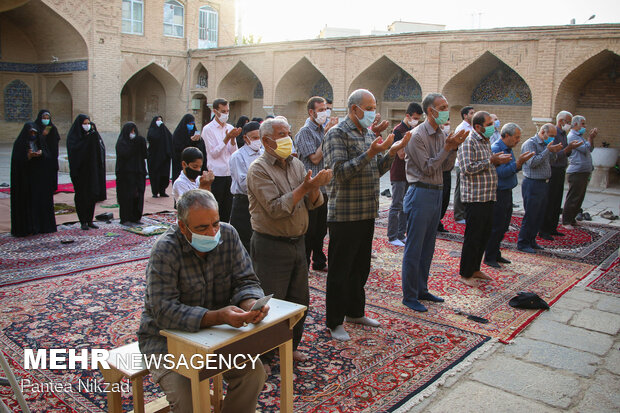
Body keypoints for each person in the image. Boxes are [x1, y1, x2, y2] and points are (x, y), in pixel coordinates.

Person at [137, 189, 268, 413]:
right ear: (182, 226)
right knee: (190, 404)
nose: (212, 232)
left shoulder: (228, 235)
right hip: (165, 344)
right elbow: (163, 310)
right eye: (202, 228)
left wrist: (249, 303)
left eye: (215, 223)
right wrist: (217, 316)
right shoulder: (165, 249)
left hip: (214, 337)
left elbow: (246, 279)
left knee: (253, 374)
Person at [322, 89, 410, 340]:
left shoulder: (368, 134)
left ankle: (355, 311)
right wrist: (370, 152)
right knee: (341, 270)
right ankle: (334, 321)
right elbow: (339, 173)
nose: (372, 112)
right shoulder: (336, 134)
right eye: (369, 107)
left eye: (374, 106)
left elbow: (375, 170)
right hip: (345, 214)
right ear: (354, 109)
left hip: (366, 211)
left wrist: (391, 152)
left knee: (360, 268)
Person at [247, 118, 330, 364]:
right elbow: (275, 208)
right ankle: (264, 353)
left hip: (298, 243)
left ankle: (289, 347)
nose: (287, 138)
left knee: (298, 300)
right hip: (271, 244)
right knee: (271, 302)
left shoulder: (295, 164)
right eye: (281, 134)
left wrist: (314, 187)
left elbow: (315, 203)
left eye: (288, 133)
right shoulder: (259, 169)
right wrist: (305, 188)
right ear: (266, 141)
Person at [401, 94, 467, 311]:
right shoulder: (416, 135)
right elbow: (428, 168)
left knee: (428, 246)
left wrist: (454, 147)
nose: (447, 111)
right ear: (431, 111)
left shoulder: (440, 134)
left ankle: (422, 289)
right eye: (443, 107)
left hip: (435, 193)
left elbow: (445, 167)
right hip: (420, 193)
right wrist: (447, 148)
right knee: (414, 247)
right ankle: (409, 295)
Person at [458, 111, 512, 286]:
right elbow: (466, 168)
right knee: (473, 236)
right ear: (477, 126)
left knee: (483, 235)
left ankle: (475, 268)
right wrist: (491, 161)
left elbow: (487, 163)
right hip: (475, 197)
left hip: (488, 195)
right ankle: (466, 273)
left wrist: (495, 161)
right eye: (488, 124)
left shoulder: (486, 141)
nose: (492, 127)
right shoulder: (468, 141)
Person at [483, 123, 534, 268]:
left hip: (507, 192)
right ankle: (490, 256)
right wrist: (519, 163)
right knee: (496, 225)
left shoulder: (508, 149)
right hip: (498, 193)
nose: (518, 140)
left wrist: (517, 164)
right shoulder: (496, 149)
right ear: (506, 136)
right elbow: (500, 173)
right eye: (516, 137)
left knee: (504, 225)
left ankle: (496, 253)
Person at [295, 96, 330, 270]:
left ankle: (319, 260)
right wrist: (328, 136)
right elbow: (315, 158)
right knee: (309, 229)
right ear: (311, 112)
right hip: (310, 188)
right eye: (321, 110)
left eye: (326, 109)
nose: (325, 113)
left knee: (321, 229)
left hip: (324, 187)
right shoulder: (304, 132)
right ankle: (303, 265)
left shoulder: (322, 130)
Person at [517, 124, 563, 253]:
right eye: (551, 135)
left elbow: (550, 161)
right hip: (532, 183)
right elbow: (532, 163)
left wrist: (553, 152)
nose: (553, 138)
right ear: (543, 132)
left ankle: (532, 240)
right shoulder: (530, 144)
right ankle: (523, 242)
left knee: (539, 215)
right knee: (531, 214)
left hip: (544, 183)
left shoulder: (545, 146)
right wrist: (548, 150)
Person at [539, 111, 582, 239]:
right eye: (568, 122)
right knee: (549, 201)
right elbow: (552, 155)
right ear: (561, 121)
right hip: (552, 170)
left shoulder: (564, 134)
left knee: (557, 200)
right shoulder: (554, 134)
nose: (569, 125)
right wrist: (567, 150)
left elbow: (563, 153)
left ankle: (552, 227)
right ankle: (544, 230)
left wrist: (569, 150)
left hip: (561, 169)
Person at [10, 122, 57, 236]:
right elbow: (17, 163)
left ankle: (41, 226)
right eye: (30, 132)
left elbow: (48, 158)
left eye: (34, 133)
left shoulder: (41, 142)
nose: (32, 135)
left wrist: (42, 154)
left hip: (38, 181)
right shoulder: (20, 144)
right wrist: (28, 157)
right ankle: (27, 228)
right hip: (25, 182)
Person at [387, 102, 423, 247]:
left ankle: (401, 234)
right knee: (396, 205)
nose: (416, 121)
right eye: (414, 118)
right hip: (398, 173)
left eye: (418, 119)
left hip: (409, 173)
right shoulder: (398, 130)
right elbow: (400, 154)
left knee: (405, 206)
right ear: (407, 116)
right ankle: (392, 235)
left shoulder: (413, 130)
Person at [202, 98, 241, 222]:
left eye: (227, 111)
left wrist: (233, 138)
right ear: (215, 111)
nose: (226, 114)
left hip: (229, 172)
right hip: (216, 174)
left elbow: (234, 152)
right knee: (215, 207)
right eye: (223, 111)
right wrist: (226, 138)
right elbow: (214, 153)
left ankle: (224, 232)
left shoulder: (229, 127)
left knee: (227, 208)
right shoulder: (208, 129)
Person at [66, 114, 106, 231]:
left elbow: (99, 151)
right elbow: (75, 152)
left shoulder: (92, 136)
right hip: (80, 174)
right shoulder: (74, 137)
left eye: (88, 123)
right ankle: (83, 221)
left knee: (92, 196)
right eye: (84, 124)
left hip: (92, 172)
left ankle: (89, 220)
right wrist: (87, 140)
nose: (87, 126)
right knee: (82, 197)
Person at [229, 121, 262, 252]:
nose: (257, 141)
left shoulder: (263, 153)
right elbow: (244, 184)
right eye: (254, 138)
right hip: (243, 202)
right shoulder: (238, 156)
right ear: (245, 138)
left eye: (260, 137)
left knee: (257, 240)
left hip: (260, 203)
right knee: (243, 240)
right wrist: (264, 186)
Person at [562, 115, 597, 229]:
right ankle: (566, 220)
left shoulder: (580, 137)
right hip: (576, 171)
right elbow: (584, 149)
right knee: (574, 196)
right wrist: (590, 138)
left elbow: (590, 149)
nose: (584, 126)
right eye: (583, 124)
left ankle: (572, 218)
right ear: (575, 124)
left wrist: (591, 139)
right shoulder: (572, 136)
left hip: (584, 170)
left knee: (580, 196)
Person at [116, 122, 147, 226]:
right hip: (126, 175)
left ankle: (136, 217)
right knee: (127, 197)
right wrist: (134, 145)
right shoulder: (122, 143)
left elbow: (144, 155)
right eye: (131, 131)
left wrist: (142, 143)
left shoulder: (138, 142)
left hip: (138, 173)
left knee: (138, 196)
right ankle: (125, 218)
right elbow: (125, 154)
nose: (133, 133)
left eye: (134, 131)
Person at [453, 106, 475, 224]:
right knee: (460, 190)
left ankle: (465, 213)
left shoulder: (472, 127)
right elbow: (458, 146)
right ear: (465, 115)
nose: (473, 115)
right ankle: (458, 215)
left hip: (470, 163)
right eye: (471, 113)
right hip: (462, 163)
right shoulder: (461, 128)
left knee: (467, 189)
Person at [171, 114, 206, 182]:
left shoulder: (194, 133)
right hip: (181, 164)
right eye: (189, 123)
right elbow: (177, 149)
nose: (191, 125)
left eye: (192, 124)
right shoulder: (178, 134)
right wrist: (190, 141)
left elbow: (201, 148)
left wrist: (197, 141)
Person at [34, 109, 61, 193]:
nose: (46, 120)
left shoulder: (51, 127)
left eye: (47, 118)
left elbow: (56, 140)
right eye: (44, 118)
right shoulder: (36, 127)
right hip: (40, 155)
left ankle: (52, 187)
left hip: (51, 155)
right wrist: (42, 135)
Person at [146, 115, 173, 198]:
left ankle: (162, 191)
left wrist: (162, 128)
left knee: (164, 175)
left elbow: (170, 138)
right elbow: (153, 138)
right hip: (154, 158)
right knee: (155, 175)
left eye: (161, 120)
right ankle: (155, 191)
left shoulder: (164, 130)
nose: (160, 121)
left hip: (164, 157)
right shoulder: (152, 131)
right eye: (158, 120)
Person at [438, 119, 453, 233]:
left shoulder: (449, 136)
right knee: (439, 200)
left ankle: (438, 221)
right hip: (439, 172)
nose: (447, 126)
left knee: (445, 200)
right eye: (445, 123)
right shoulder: (439, 137)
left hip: (447, 172)